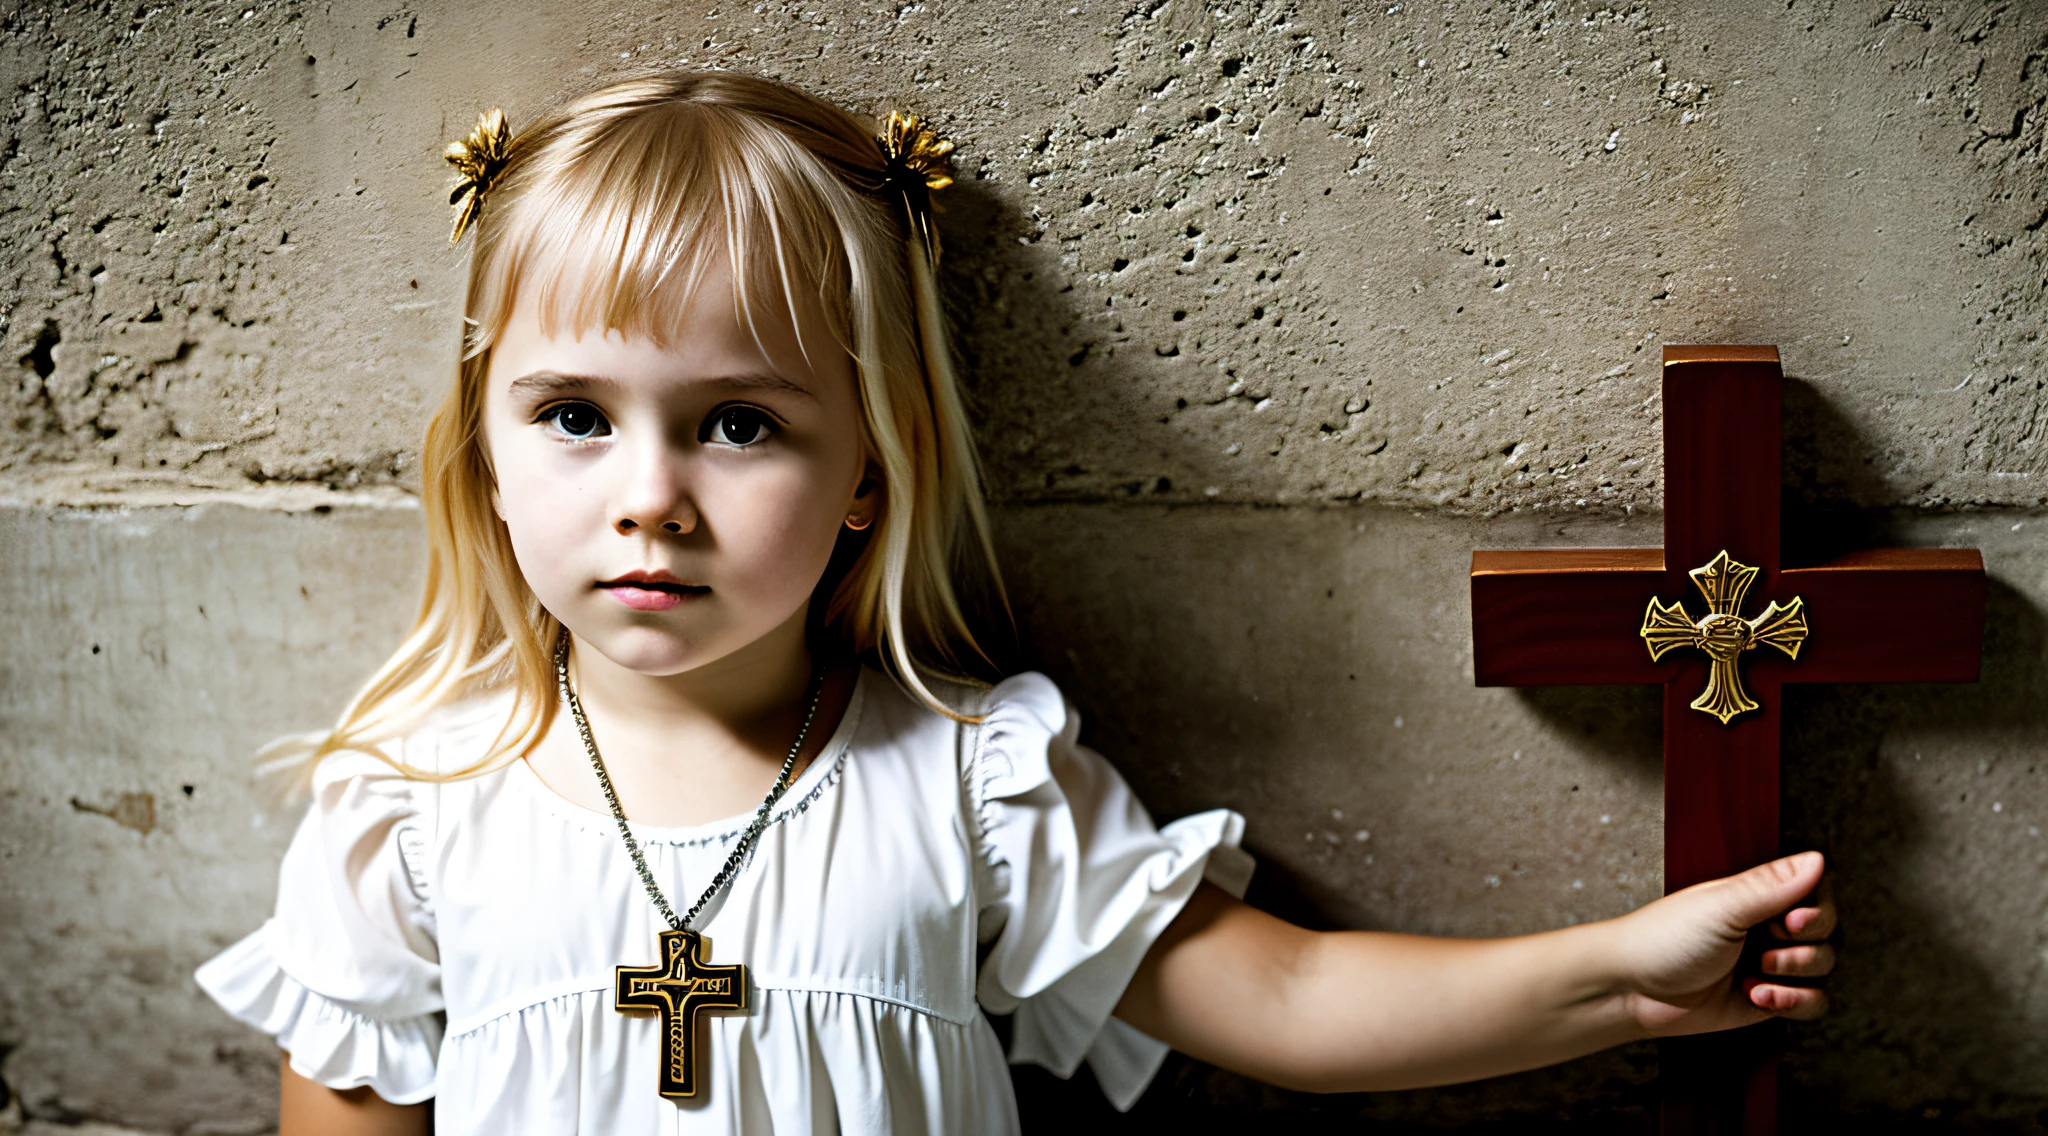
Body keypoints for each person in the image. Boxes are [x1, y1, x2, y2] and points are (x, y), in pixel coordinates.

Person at [194, 71, 1837, 1135]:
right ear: (478, 455)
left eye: (740, 421)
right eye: (572, 415)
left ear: (870, 470)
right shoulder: (409, 814)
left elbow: (1282, 996)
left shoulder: (971, 783)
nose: (647, 494)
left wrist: (1620, 977)